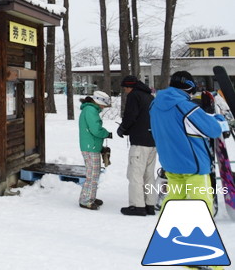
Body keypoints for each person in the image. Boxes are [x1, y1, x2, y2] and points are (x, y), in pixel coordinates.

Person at [150, 71, 229, 214]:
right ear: (189, 87)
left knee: (175, 198)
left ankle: (169, 229)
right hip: (193, 165)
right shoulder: (185, 106)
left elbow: (178, 126)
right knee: (201, 202)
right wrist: (219, 119)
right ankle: (202, 233)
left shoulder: (154, 105)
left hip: (171, 163)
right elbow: (213, 130)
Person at [117, 75, 157, 216]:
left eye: (125, 88)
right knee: (148, 175)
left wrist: (123, 128)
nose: (125, 91)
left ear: (130, 87)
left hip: (140, 142)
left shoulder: (134, 96)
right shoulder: (150, 97)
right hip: (152, 142)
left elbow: (130, 115)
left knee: (135, 174)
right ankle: (149, 204)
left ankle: (137, 206)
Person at [78, 91, 112, 210]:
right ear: (98, 102)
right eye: (103, 105)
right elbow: (96, 129)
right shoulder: (91, 111)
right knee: (92, 174)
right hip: (90, 146)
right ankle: (85, 200)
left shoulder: (90, 110)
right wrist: (106, 133)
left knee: (94, 173)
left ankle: (90, 196)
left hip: (91, 145)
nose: (103, 108)